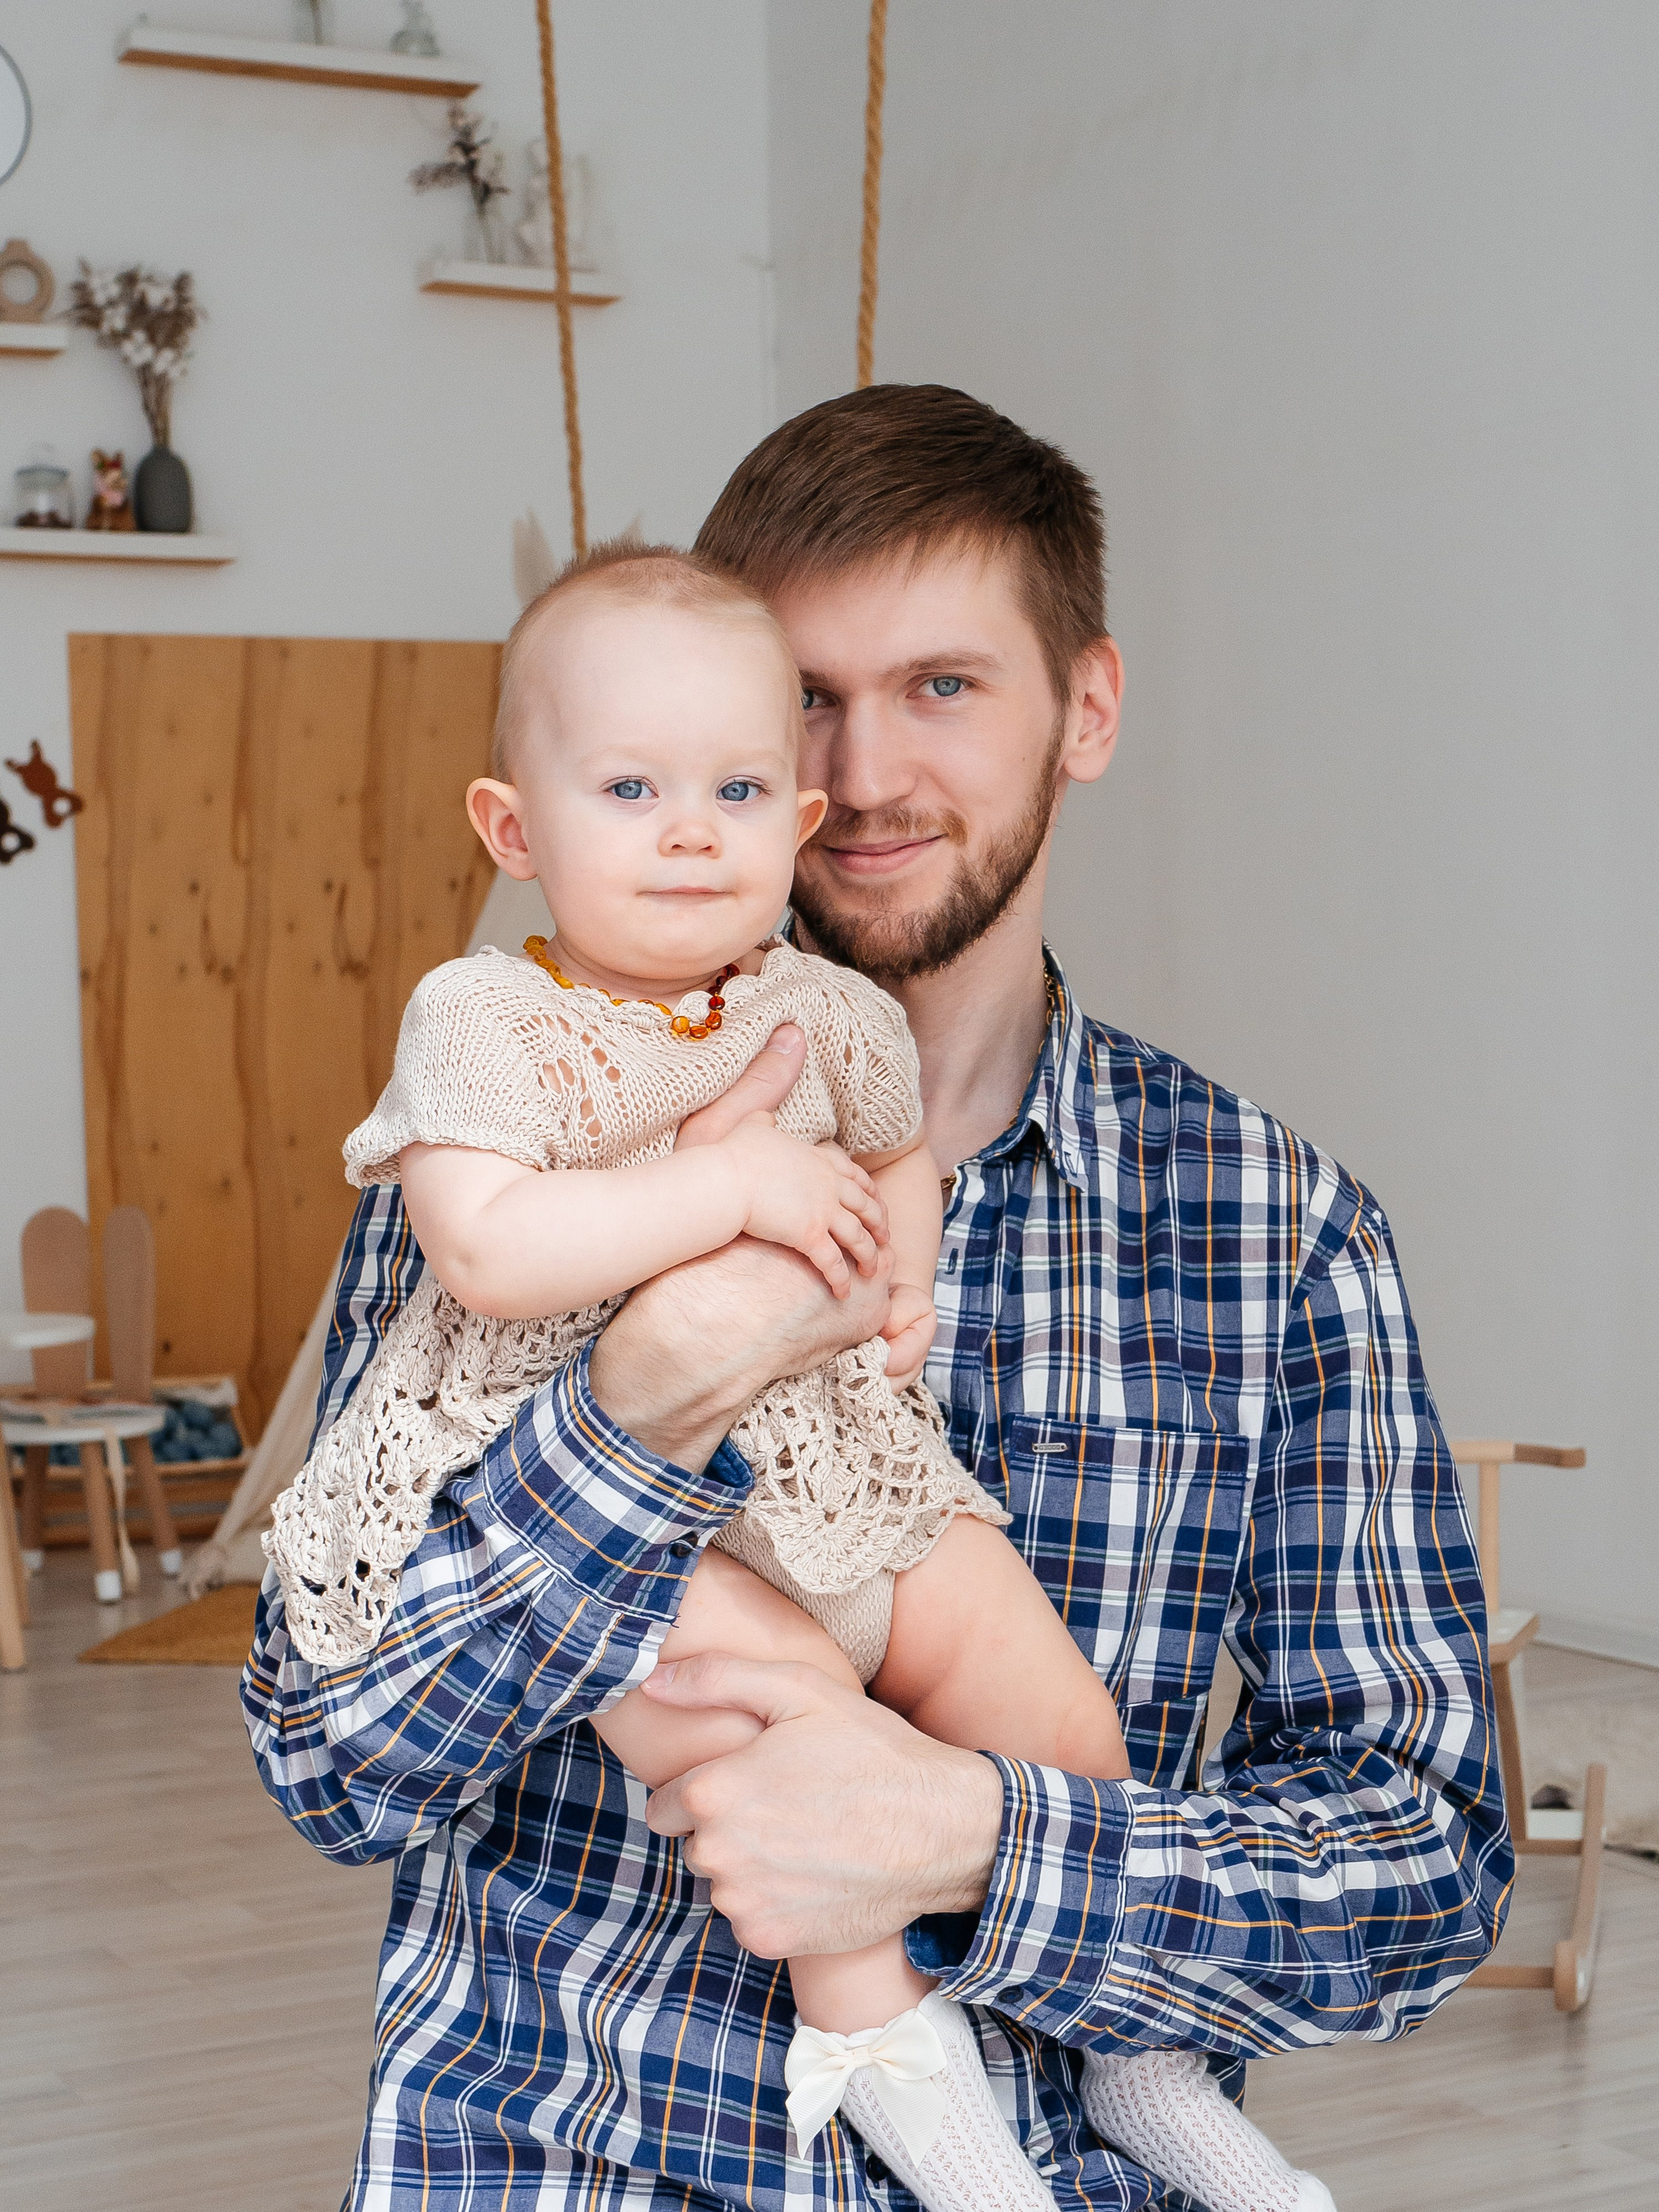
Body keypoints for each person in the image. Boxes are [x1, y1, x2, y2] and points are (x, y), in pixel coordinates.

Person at [244, 385, 1509, 2212]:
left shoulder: (1276, 1230)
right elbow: (328, 1767)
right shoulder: (532, 1131)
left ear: (1087, 708)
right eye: (805, 697)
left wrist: (970, 1842)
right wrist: (639, 1412)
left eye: (943, 684)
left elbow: (1422, 1869)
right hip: (556, 2168)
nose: (861, 772)